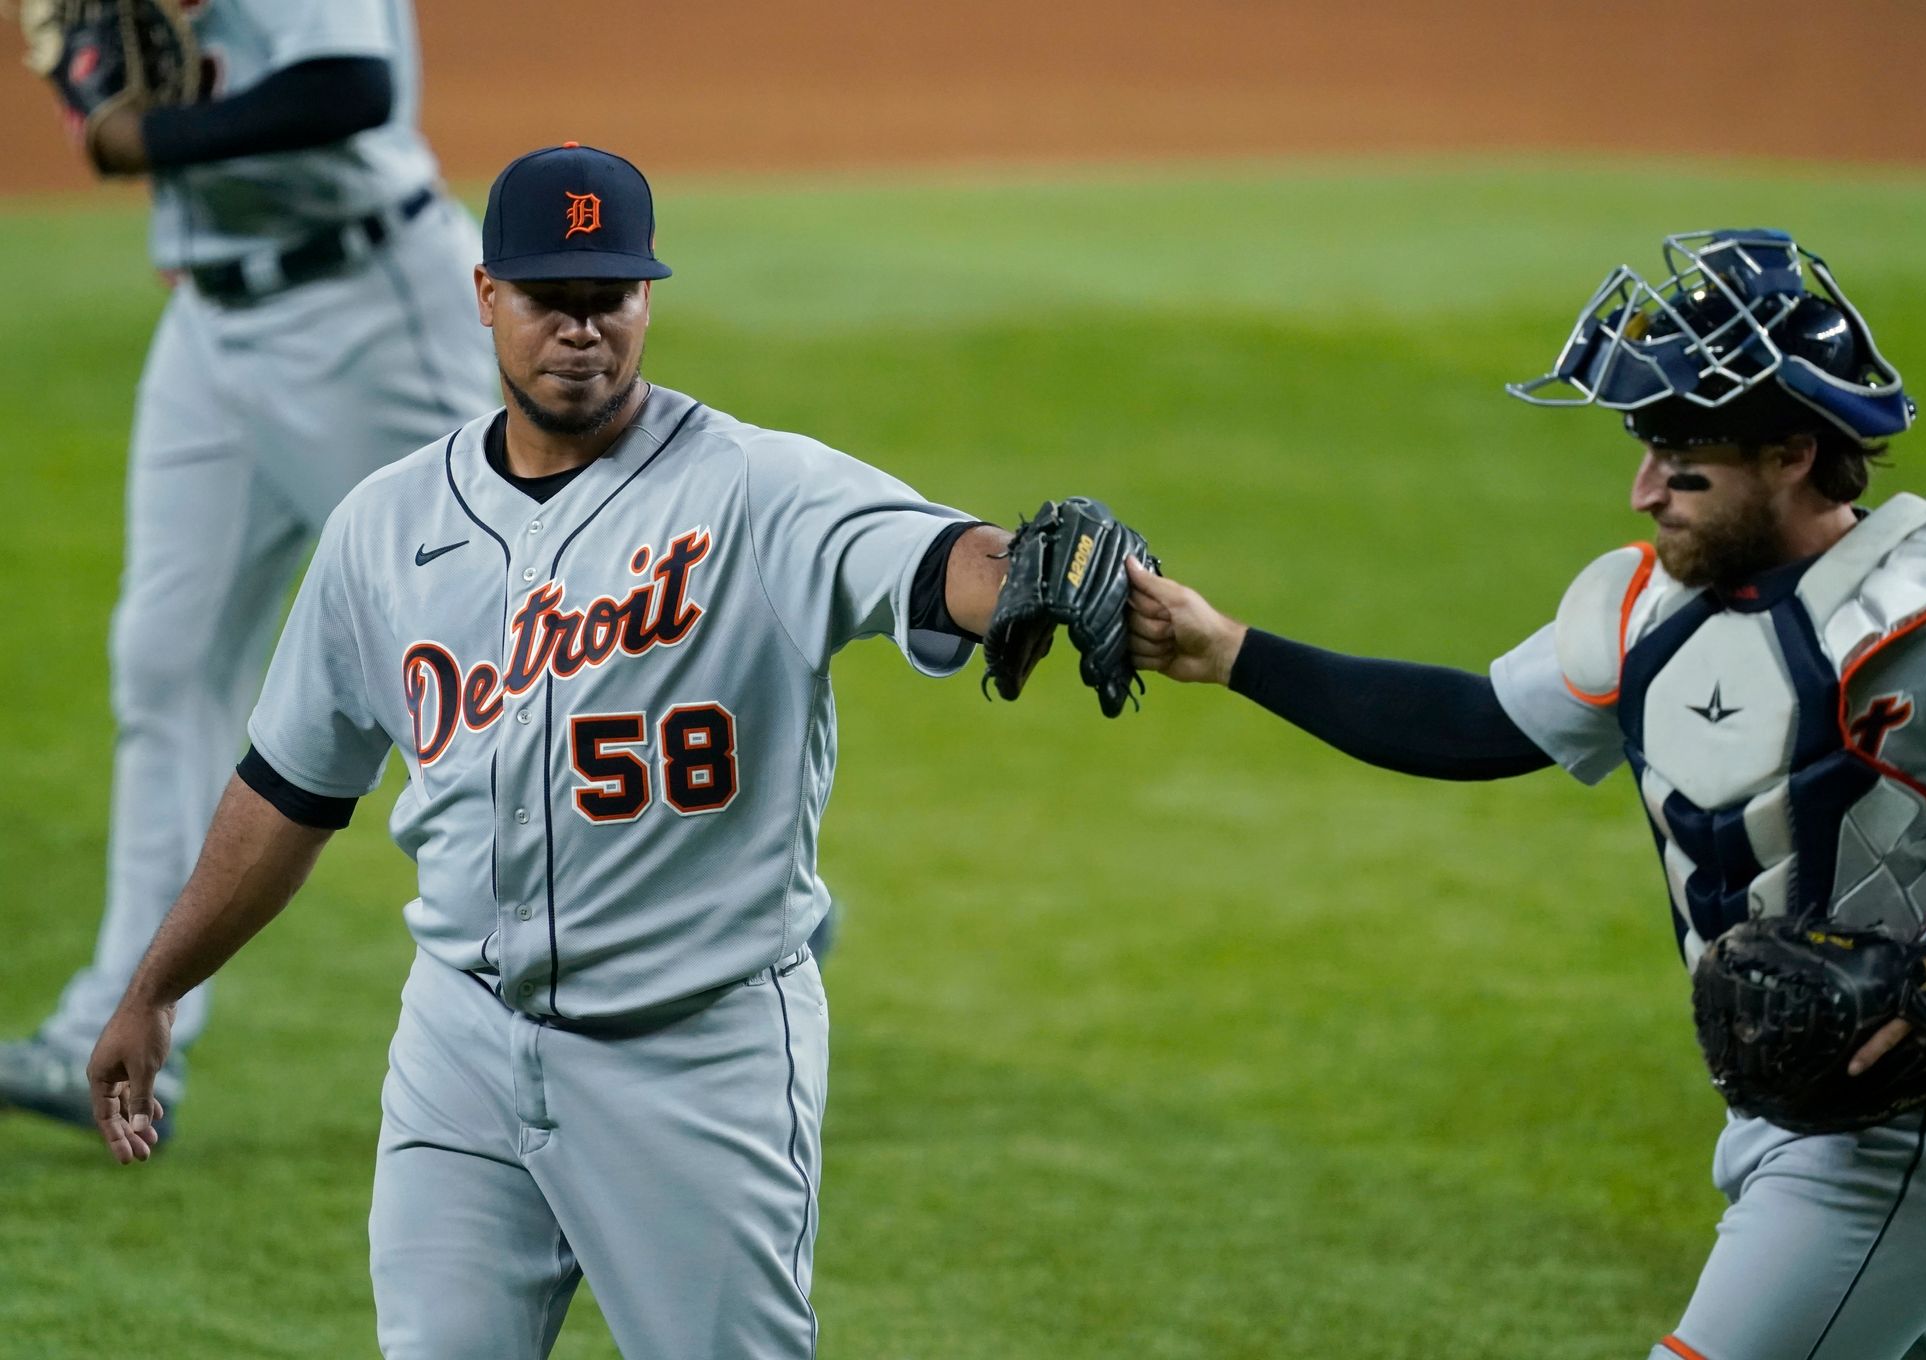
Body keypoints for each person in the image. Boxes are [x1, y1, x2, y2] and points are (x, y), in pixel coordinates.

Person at [83, 141, 1143, 1360]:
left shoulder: (756, 488)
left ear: (648, 301)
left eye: (611, 298)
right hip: (462, 1047)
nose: (582, 330)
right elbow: (289, 789)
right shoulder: (385, 527)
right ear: (486, 297)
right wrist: (157, 983)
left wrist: (1019, 574)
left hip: (697, 1058)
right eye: (550, 299)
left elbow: (933, 554)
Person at [1125, 229, 1926, 1359]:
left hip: (1899, 1137)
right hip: (1817, 1118)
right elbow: (1470, 727)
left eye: (1679, 455)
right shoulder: (1652, 614)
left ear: (1792, 452)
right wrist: (1231, 652)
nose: (1642, 488)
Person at [1, 0, 497, 1141]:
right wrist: (96, 87)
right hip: (213, 330)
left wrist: (143, 139)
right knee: (167, 662)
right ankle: (129, 1031)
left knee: (488, 656)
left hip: (367, 315)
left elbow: (347, 90)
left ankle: (691, 893)